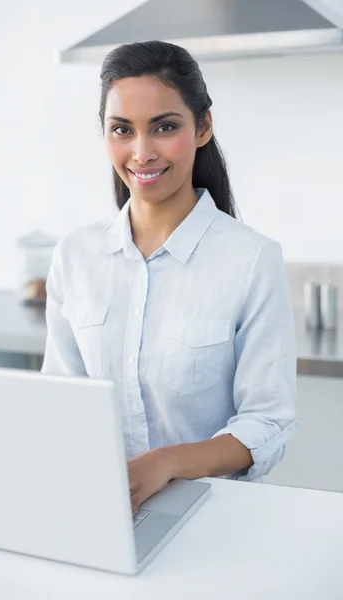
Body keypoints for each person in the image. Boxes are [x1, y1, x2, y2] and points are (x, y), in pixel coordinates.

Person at [42, 40, 297, 514]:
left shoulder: (251, 260)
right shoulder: (75, 257)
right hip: (99, 512)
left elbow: (268, 423)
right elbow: (60, 403)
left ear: (203, 127)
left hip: (217, 515)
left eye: (164, 127)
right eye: (122, 130)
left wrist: (168, 463)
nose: (141, 153)